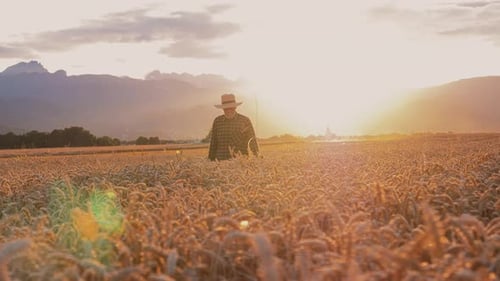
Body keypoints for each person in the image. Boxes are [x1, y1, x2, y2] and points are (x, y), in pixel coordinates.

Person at [208, 94, 259, 161]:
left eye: (231, 107)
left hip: (240, 163)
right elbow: (213, 143)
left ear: (235, 107)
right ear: (223, 108)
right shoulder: (217, 121)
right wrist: (210, 160)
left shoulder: (245, 120)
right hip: (220, 164)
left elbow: (252, 141)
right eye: (226, 108)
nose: (228, 110)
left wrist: (257, 158)